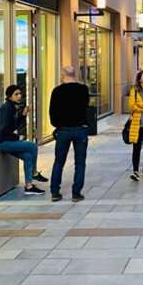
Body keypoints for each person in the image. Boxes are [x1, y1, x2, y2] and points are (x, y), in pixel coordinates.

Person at [0, 85, 48, 195]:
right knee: (33, 146)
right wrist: (16, 137)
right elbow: (3, 129)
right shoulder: (7, 108)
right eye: (16, 94)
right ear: (9, 97)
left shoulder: (11, 107)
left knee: (28, 157)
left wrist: (23, 115)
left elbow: (12, 127)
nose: (19, 96)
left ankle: (29, 186)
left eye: (20, 93)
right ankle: (34, 173)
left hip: (3, 141)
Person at [48, 66, 89, 202]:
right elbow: (85, 107)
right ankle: (76, 193)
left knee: (59, 161)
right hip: (80, 129)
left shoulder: (57, 91)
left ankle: (55, 192)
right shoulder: (83, 89)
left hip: (63, 129)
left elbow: (52, 112)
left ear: (62, 75)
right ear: (75, 74)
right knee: (80, 162)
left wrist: (57, 125)